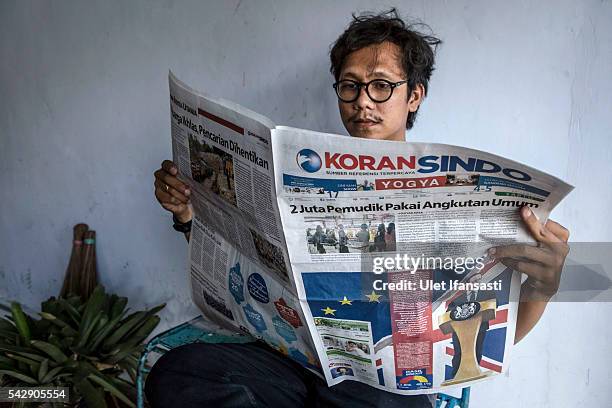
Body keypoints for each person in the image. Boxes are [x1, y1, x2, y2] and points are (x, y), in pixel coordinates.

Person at [149, 9, 570, 408]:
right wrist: (188, 213)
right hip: (294, 362)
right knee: (180, 374)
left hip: (385, 384)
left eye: (382, 85)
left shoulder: (458, 195)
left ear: (414, 96)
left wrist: (544, 287)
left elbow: (492, 335)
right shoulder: (293, 174)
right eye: (350, 86)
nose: (363, 102)